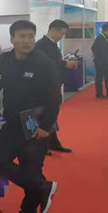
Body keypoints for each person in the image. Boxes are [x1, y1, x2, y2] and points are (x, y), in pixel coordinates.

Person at [0, 20, 60, 213]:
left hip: (36, 125)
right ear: (12, 39)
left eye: (30, 36)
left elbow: (54, 98)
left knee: (31, 168)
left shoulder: (44, 63)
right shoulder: (5, 60)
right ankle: (41, 186)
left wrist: (46, 127)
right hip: (12, 123)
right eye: (22, 36)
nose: (27, 41)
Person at [34, 19, 76, 154]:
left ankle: (53, 142)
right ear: (53, 30)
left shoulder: (52, 44)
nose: (62, 37)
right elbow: (46, 63)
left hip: (53, 84)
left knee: (51, 115)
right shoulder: (41, 45)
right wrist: (64, 63)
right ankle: (42, 145)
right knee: (44, 116)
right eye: (61, 33)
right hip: (45, 86)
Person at [91, 23, 108, 98]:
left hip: (105, 61)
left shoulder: (106, 37)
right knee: (99, 77)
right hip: (100, 61)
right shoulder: (100, 38)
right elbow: (95, 49)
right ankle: (99, 93)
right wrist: (99, 56)